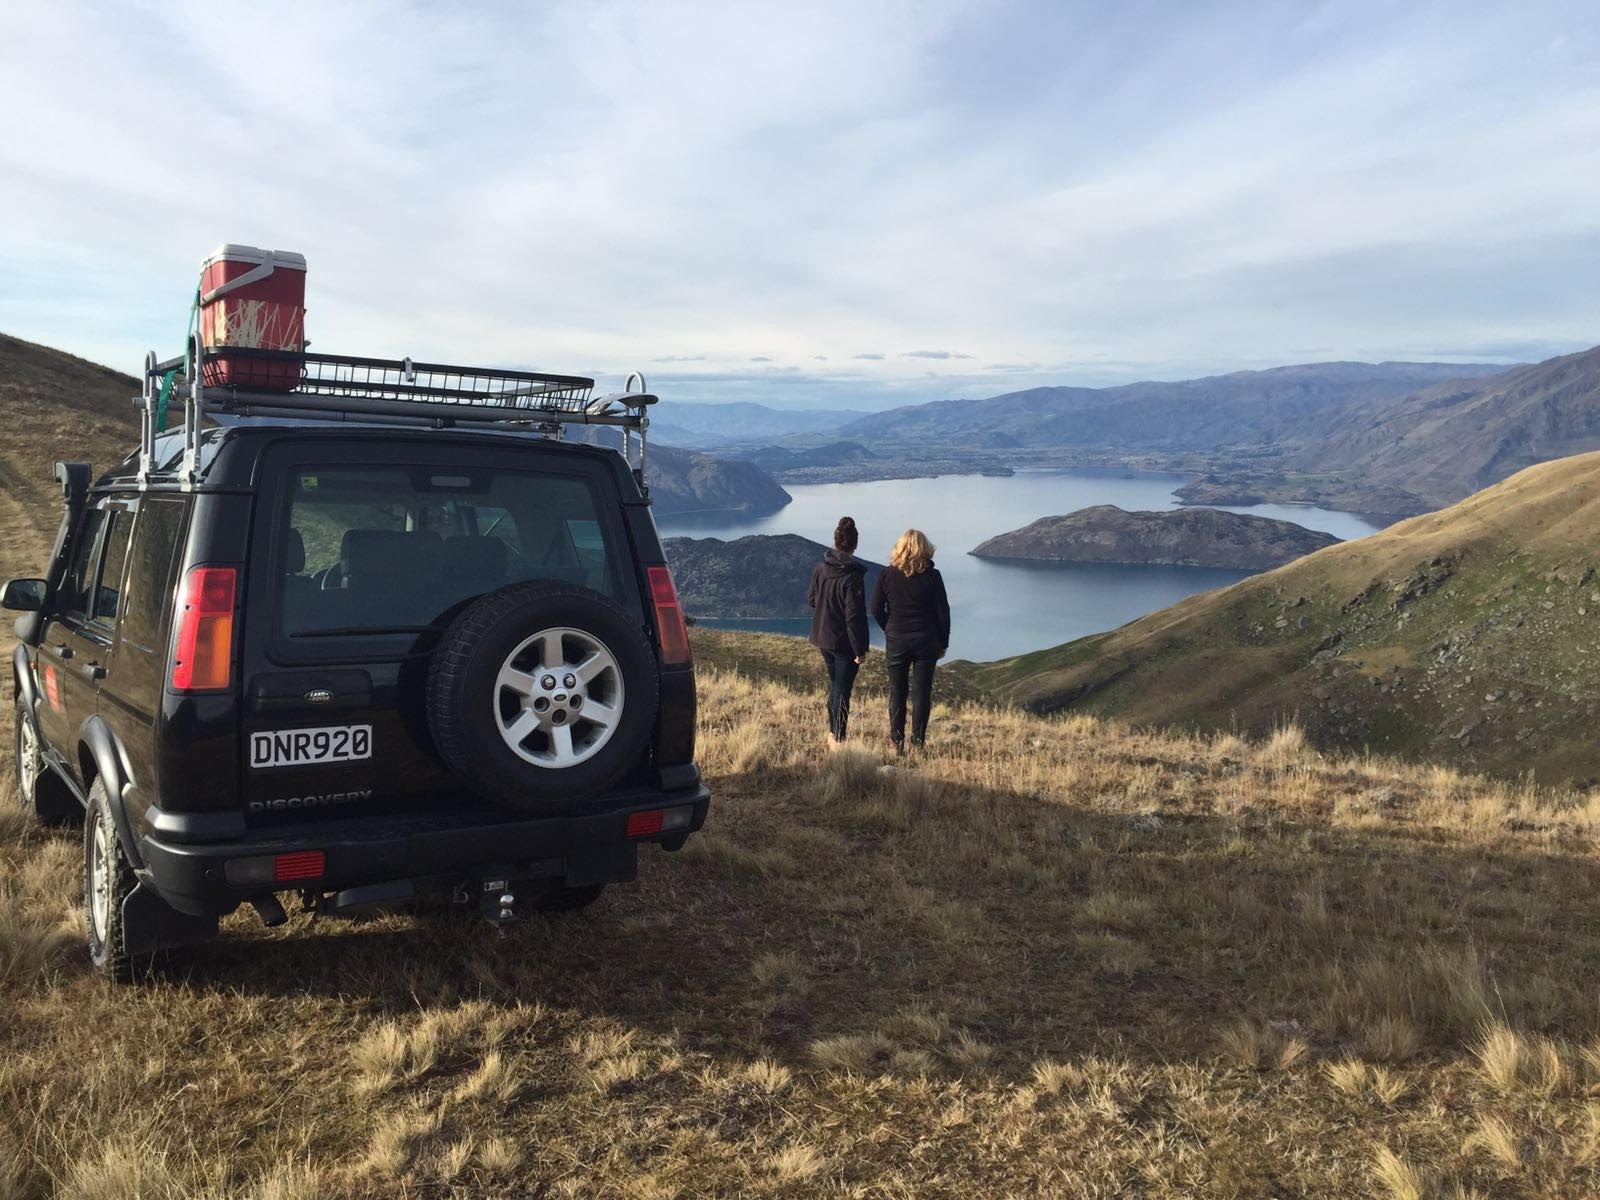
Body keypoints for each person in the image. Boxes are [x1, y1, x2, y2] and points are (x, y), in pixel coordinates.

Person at [871, 528, 950, 754]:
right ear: (925, 549)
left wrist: (889, 628)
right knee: (922, 693)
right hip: (926, 641)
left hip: (897, 640)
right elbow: (943, 613)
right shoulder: (933, 577)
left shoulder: (887, 574)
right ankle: (918, 743)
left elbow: (875, 608)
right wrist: (943, 642)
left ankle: (896, 742)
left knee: (897, 692)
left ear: (900, 548)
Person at [806, 516, 869, 746]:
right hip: (843, 643)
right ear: (855, 544)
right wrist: (859, 649)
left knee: (835, 686)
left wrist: (827, 604)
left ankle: (833, 733)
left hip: (823, 638)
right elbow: (854, 617)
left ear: (836, 541)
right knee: (842, 690)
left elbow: (812, 599)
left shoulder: (820, 569)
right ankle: (838, 737)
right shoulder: (852, 577)